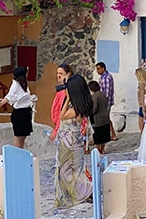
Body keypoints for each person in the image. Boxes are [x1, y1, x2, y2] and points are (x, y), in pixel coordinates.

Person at [55, 74, 93, 209]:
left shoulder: (76, 108)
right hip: (73, 140)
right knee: (76, 170)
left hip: (70, 141)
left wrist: (67, 99)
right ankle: (84, 193)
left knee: (67, 171)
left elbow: (62, 116)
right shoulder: (81, 104)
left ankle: (83, 193)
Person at [0, 66, 32, 148]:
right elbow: (10, 96)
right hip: (19, 113)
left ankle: (21, 152)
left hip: (26, 112)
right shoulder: (15, 85)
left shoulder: (23, 83)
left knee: (23, 136)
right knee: (18, 137)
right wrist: (2, 102)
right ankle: (17, 155)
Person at [95, 62, 116, 141]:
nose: (97, 71)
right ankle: (112, 134)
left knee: (105, 119)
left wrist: (102, 102)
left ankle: (112, 134)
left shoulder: (106, 78)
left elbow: (106, 93)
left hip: (105, 102)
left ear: (103, 68)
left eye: (98, 69)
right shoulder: (104, 77)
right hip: (106, 102)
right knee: (106, 118)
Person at [50, 63, 72, 141]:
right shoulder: (60, 91)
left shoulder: (66, 92)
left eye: (61, 73)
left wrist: (56, 129)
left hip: (65, 128)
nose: (58, 76)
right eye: (57, 73)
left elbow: (62, 113)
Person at [87, 80, 111, 154]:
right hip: (105, 118)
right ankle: (103, 150)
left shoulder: (95, 96)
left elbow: (94, 108)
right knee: (103, 137)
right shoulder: (103, 94)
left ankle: (99, 150)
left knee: (97, 137)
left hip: (98, 119)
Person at [134, 68, 146, 133]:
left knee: (142, 128)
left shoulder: (142, 84)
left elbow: (143, 97)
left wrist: (143, 110)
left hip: (142, 106)